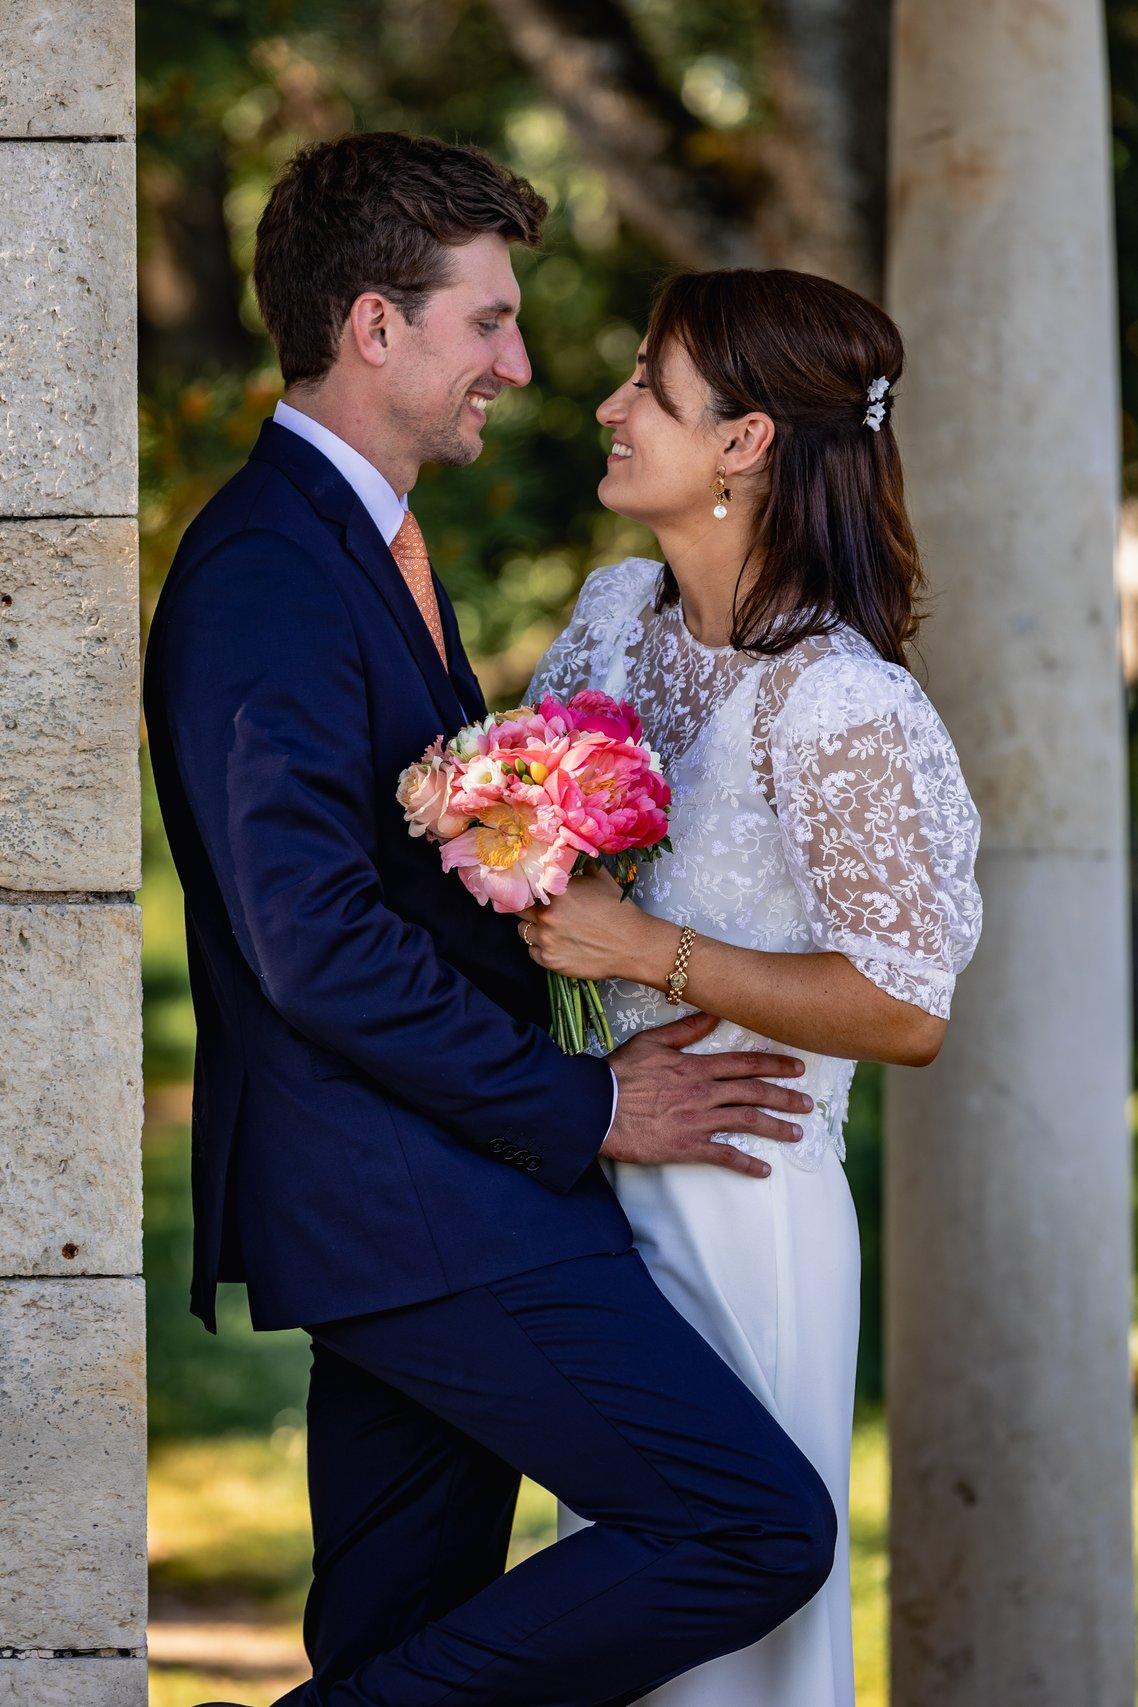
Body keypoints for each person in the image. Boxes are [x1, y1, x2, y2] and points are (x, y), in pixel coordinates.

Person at [144, 132, 838, 1707]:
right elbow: (308, 936)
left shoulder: (364, 543)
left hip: (427, 1190)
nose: (519, 365)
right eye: (487, 322)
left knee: (401, 1628)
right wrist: (588, 1103)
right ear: (373, 326)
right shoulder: (267, 566)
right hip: (421, 1203)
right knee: (745, 1526)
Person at [519, 266, 983, 1705]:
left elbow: (903, 1005)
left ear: (743, 442)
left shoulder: (836, 699)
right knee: (613, 1606)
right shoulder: (612, 619)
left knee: (724, 1643)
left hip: (742, 1190)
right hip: (592, 1170)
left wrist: (641, 952)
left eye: (645, 389)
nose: (606, 407)